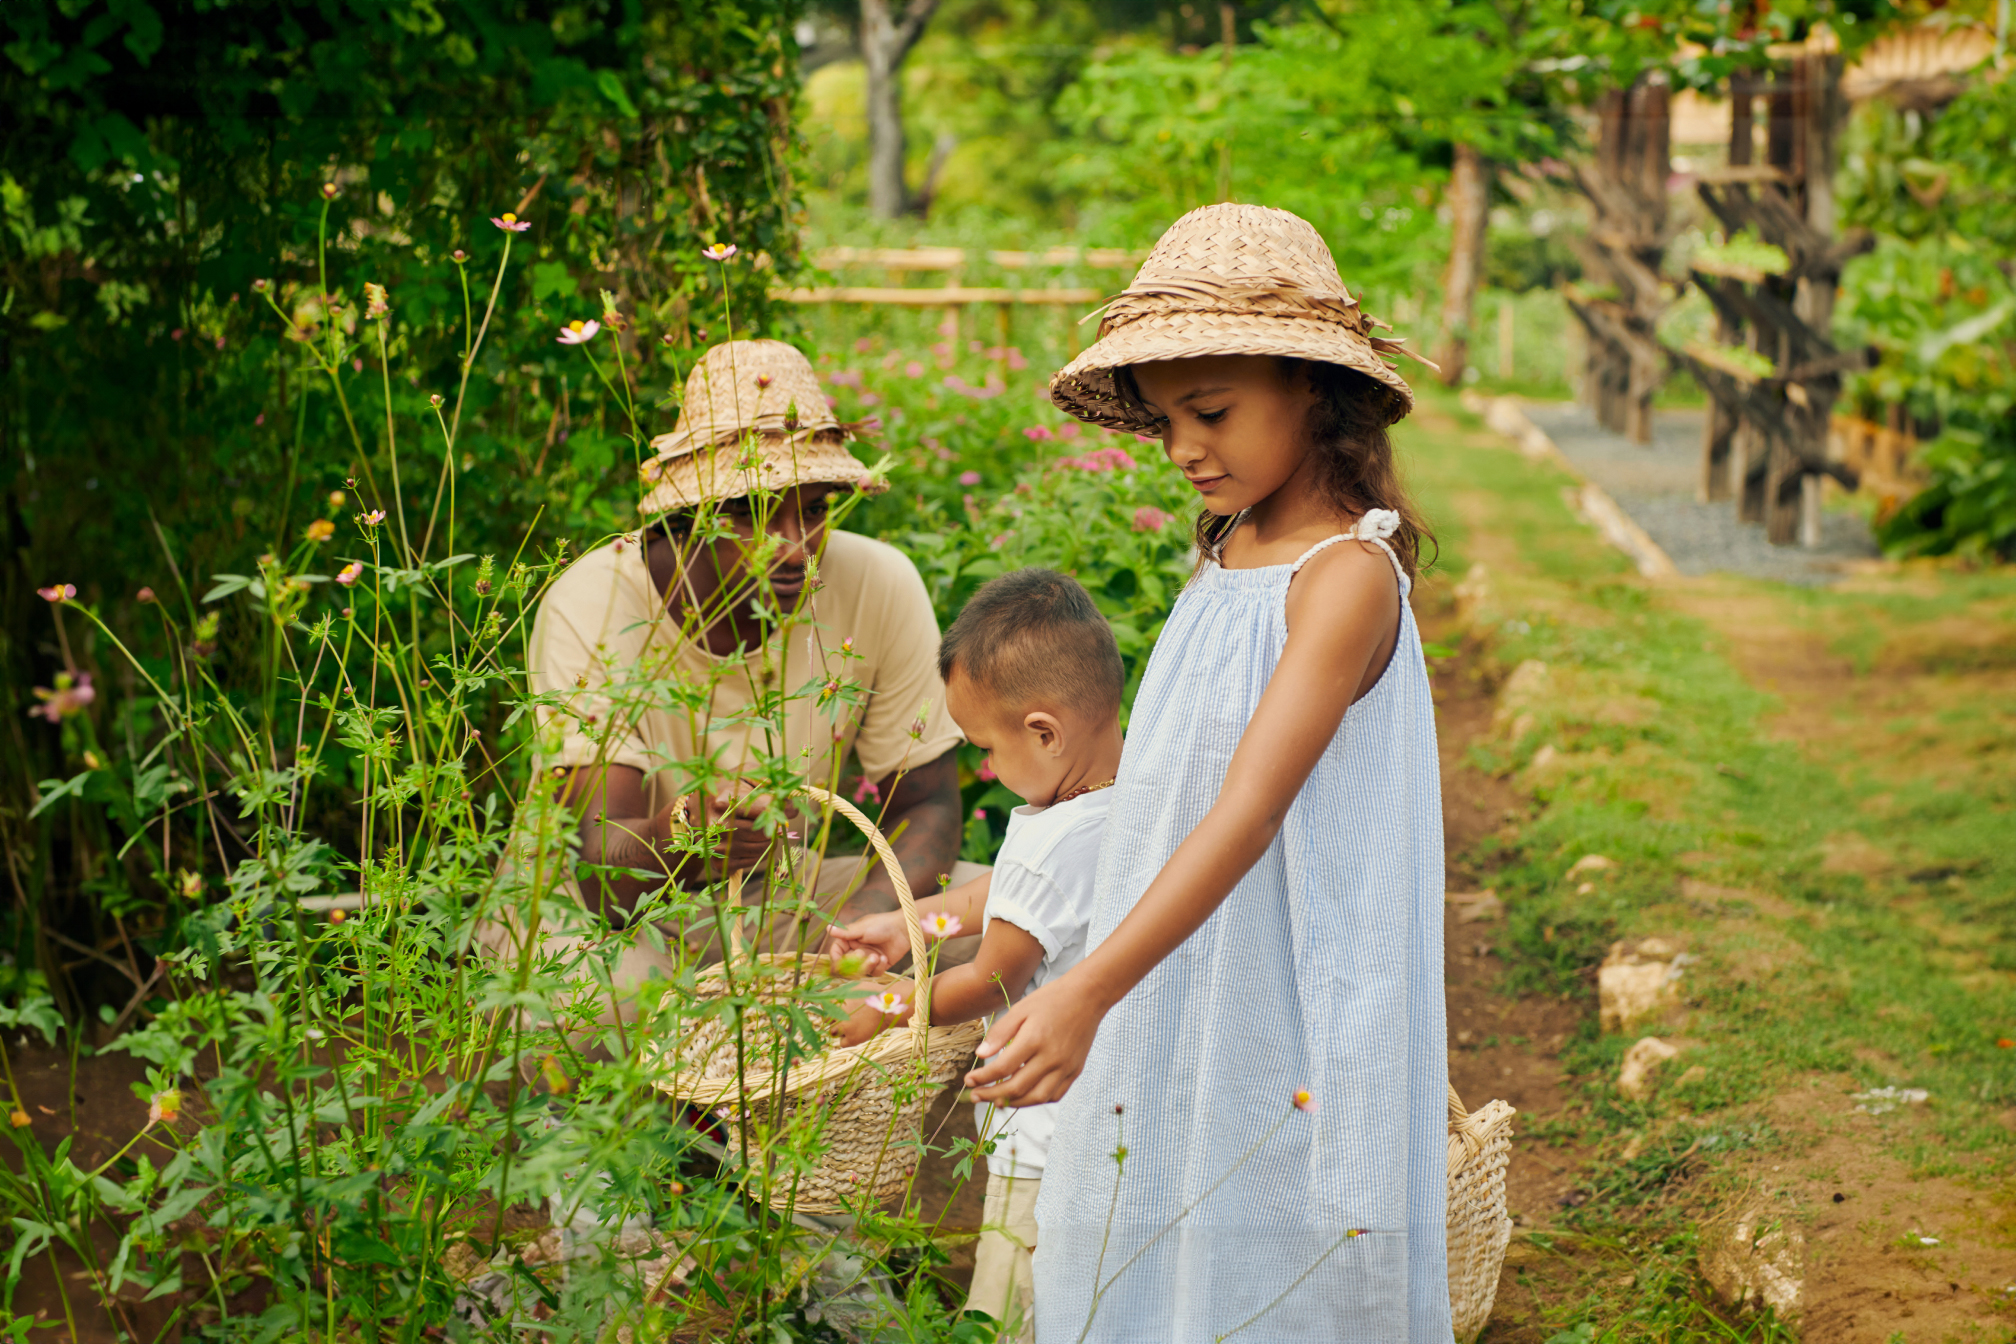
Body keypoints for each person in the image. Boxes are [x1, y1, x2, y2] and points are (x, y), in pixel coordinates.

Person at [963, 203, 1453, 1342]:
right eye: (1167, 418)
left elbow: (1247, 809)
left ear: (1312, 387)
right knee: (1170, 1237)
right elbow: (1169, 795)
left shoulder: (1343, 578)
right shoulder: (1231, 545)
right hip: (1190, 968)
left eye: (1213, 412)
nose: (1185, 446)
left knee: (1279, 1254)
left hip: (1287, 979)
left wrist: (1088, 987)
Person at [515, 338, 977, 1020]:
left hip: (775, 895)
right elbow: (598, 876)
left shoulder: (878, 582)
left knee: (998, 921)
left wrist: (863, 927)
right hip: (602, 914)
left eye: (814, 510)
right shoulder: (595, 602)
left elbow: (928, 803)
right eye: (753, 512)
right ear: (695, 514)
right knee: (610, 1004)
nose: (793, 546)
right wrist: (684, 832)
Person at [825, 567, 1124, 1344]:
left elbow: (991, 977)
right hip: (1112, 1118)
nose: (986, 767)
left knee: (1008, 1309)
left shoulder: (1050, 844)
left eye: (987, 749)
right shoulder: (1125, 799)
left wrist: (888, 1005)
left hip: (1044, 1139)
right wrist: (911, 926)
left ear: (1045, 733)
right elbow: (1004, 893)